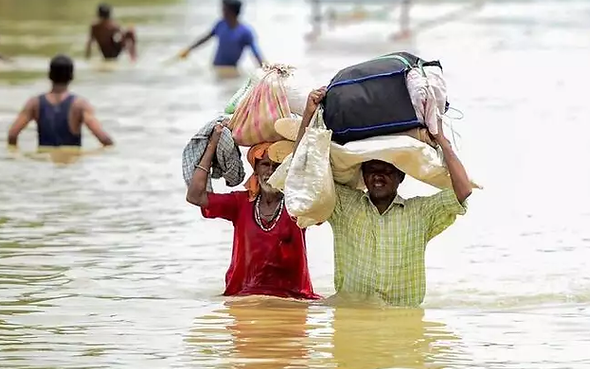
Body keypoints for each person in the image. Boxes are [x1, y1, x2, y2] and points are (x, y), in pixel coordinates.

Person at [295, 88, 473, 307]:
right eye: (371, 169)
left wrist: (441, 140)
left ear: (401, 176)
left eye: (386, 170)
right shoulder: (344, 205)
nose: (378, 176)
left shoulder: (421, 212)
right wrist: (309, 114)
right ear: (363, 175)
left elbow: (462, 191)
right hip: (353, 321)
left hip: (403, 325)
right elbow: (303, 176)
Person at [186, 131, 320, 300]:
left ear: (286, 171)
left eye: (277, 166)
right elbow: (195, 196)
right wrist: (212, 145)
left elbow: (321, 195)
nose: (270, 171)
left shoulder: (298, 203)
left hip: (292, 299)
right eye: (265, 164)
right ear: (256, 169)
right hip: (243, 297)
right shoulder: (240, 203)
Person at [7, 54, 114, 148]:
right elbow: (104, 139)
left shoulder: (34, 103)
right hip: (70, 166)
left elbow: (12, 135)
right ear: (71, 76)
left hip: (44, 164)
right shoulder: (79, 105)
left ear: (49, 75)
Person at [180, 0, 264, 68]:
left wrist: (265, 70)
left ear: (231, 12)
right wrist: (189, 49)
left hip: (230, 70)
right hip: (216, 67)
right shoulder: (220, 24)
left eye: (224, 8)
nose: (221, 11)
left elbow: (255, 52)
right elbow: (206, 38)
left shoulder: (245, 32)